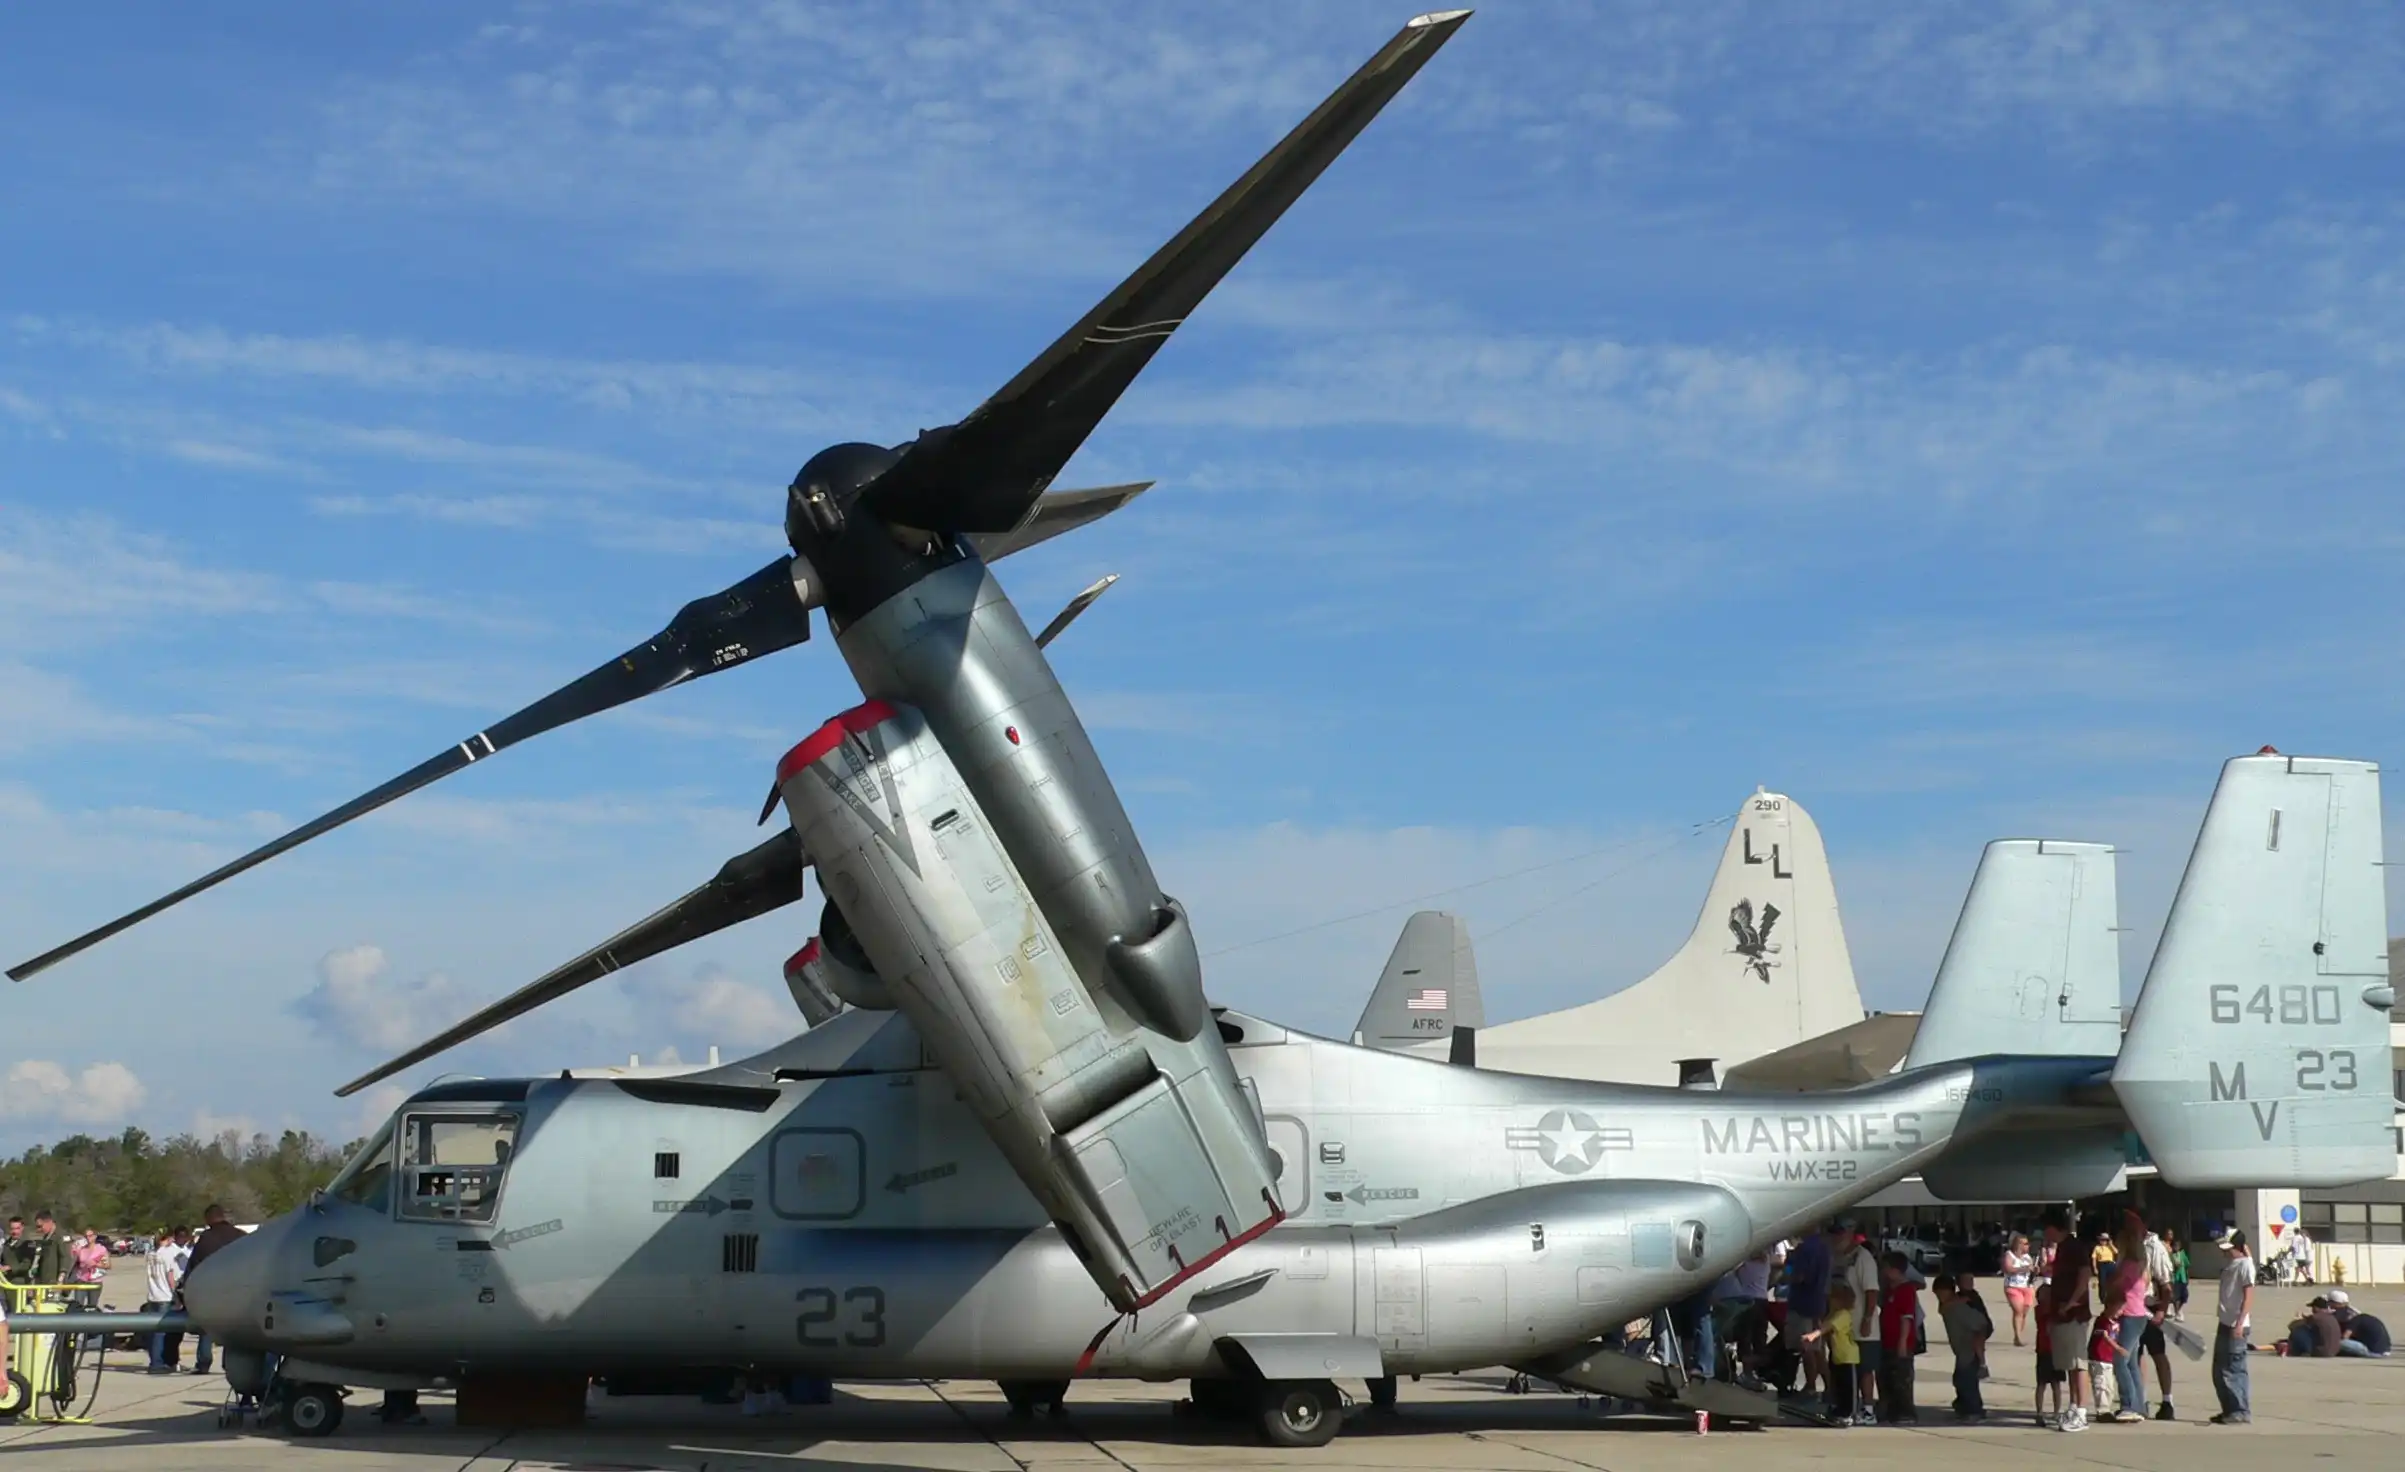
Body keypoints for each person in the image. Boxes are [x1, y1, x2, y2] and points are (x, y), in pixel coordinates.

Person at [2042, 1208, 2094, 1432]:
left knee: (2078, 1363)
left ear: (2053, 1228)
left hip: (2074, 1314)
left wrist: (2073, 1302)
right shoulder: (2063, 1248)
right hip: (2062, 1314)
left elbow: (2084, 1275)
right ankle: (2073, 1405)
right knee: (2069, 1365)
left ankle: (2081, 1411)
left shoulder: (2074, 1247)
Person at [184, 1206, 246, 1377]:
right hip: (238, 1290)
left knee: (206, 1328)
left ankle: (204, 1362)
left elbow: (194, 1267)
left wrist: (185, 1290)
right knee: (234, 1331)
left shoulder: (206, 1239)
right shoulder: (241, 1236)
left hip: (212, 1291)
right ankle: (231, 1363)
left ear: (208, 1219)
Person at [2106, 1214, 2154, 1421]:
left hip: (2130, 1315)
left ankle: (2129, 1404)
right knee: (2132, 1362)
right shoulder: (2141, 1263)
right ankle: (2138, 1404)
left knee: (2120, 1359)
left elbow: (2113, 1284)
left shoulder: (2127, 1265)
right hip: (2139, 1314)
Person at [1837, 1222, 1881, 1425]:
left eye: (1841, 1232)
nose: (1837, 1237)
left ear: (1851, 1233)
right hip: (1844, 1326)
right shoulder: (1842, 1257)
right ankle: (1850, 1407)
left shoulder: (1863, 1258)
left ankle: (1869, 1410)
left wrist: (1867, 1319)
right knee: (1848, 1370)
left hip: (1863, 1327)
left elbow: (1871, 1291)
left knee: (1865, 1369)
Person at [1785, 1223, 1835, 1401]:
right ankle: (1829, 1386)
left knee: (1806, 1347)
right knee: (1818, 1348)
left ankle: (1811, 1386)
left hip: (1803, 1304)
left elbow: (1800, 1276)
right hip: (1819, 1303)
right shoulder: (1824, 1248)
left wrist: (1787, 1272)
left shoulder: (1805, 1249)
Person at [2209, 1228, 2254, 1425]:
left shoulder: (2244, 1265)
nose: (2224, 1251)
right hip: (2225, 1321)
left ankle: (2240, 1410)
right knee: (2219, 1370)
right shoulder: (2234, 1264)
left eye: (2228, 1248)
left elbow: (2249, 1296)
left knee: (2233, 1369)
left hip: (2236, 1324)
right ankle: (2228, 1409)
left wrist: (2240, 1323)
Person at [1802, 1282, 1861, 1422]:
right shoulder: (1835, 1314)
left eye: (1833, 1299)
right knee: (1838, 1386)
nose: (1830, 1301)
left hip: (1848, 1357)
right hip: (1837, 1356)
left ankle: (1849, 1413)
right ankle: (1838, 1410)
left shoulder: (1843, 1315)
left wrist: (1813, 1335)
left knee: (1848, 1388)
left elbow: (1827, 1327)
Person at [1936, 1273, 1990, 1421]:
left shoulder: (1960, 1307)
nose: (1939, 1297)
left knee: (1966, 1380)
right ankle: (1963, 1406)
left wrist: (1981, 1357)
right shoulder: (1950, 1306)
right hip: (1962, 1349)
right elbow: (1942, 1309)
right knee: (1961, 1378)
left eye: (1941, 1293)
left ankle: (1973, 1410)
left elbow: (1981, 1326)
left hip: (1969, 1348)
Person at [1875, 1251, 1919, 1423]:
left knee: (1901, 1378)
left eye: (1886, 1269)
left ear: (1895, 1270)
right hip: (1887, 1340)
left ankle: (1906, 1413)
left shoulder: (1906, 1290)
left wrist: (1902, 1342)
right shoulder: (1889, 1290)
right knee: (1887, 1377)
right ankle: (1891, 1411)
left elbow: (1906, 1318)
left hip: (1900, 1342)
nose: (1884, 1273)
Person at [144, 1228, 186, 1373]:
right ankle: (158, 1363)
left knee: (153, 1331)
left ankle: (154, 1360)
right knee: (162, 1333)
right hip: (165, 1296)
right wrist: (176, 1295)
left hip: (152, 1295)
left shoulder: (150, 1254)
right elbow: (170, 1277)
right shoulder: (167, 1254)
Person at [2001, 1233, 2036, 1345]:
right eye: (2025, 1244)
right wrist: (2024, 1268)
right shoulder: (2009, 1255)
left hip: (2027, 1286)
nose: (2028, 1246)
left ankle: (2019, 1334)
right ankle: (2018, 1337)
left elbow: (2031, 1270)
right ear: (2018, 1244)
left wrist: (2035, 1270)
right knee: (2018, 1311)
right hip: (2013, 1286)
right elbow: (2008, 1268)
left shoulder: (2027, 1257)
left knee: (2024, 1312)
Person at [26, 1212, 67, 1285]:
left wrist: (62, 1276)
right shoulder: (46, 1237)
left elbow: (65, 1257)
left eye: (40, 1226)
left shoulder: (60, 1236)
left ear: (49, 1222)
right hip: (45, 1280)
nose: (39, 1229)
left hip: (55, 1282)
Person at [2163, 1228, 2190, 1318]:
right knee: (2176, 1295)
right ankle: (2176, 1311)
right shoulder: (2170, 1253)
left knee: (2184, 1295)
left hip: (2183, 1278)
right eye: (2169, 1234)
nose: (2176, 1247)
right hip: (2175, 1277)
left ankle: (2177, 1310)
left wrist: (2187, 1276)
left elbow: (2187, 1265)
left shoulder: (2182, 1254)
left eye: (2171, 1234)